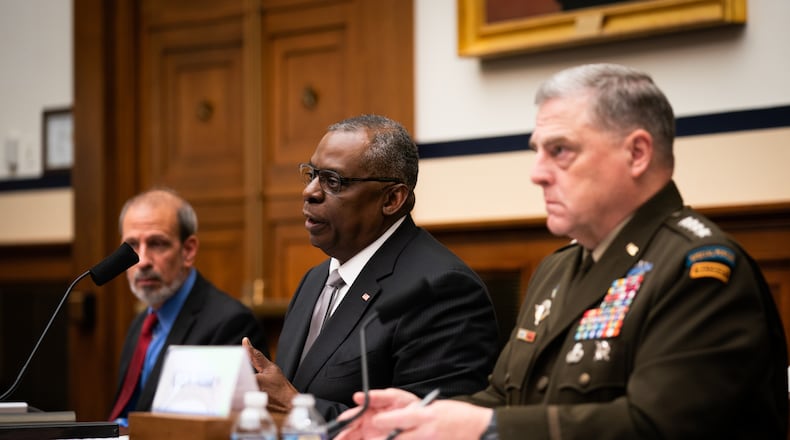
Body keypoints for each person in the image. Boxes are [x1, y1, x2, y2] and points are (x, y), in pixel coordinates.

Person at [334, 64, 789, 439]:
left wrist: (484, 426)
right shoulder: (558, 268)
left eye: (560, 151)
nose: (537, 173)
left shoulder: (698, 270)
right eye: (538, 151)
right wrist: (427, 415)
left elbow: (656, 427)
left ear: (636, 154)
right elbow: (505, 398)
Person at [242, 114, 499, 422]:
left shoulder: (442, 289)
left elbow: (432, 428)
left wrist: (299, 409)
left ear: (392, 198)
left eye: (333, 180)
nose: (310, 191)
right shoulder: (315, 280)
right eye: (312, 174)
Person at [108, 188, 268, 428]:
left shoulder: (230, 323)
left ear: (188, 250)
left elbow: (220, 427)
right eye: (131, 245)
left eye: (157, 244)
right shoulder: (141, 324)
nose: (141, 261)